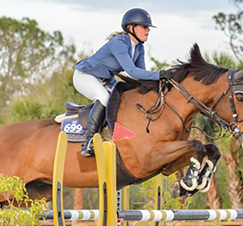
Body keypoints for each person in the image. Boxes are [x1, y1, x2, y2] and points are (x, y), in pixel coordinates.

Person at [74, 8, 173, 156]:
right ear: (131, 28)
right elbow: (132, 71)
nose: (148, 30)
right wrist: (159, 74)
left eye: (148, 27)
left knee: (123, 100)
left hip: (105, 80)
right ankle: (88, 143)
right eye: (144, 27)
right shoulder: (119, 43)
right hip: (85, 76)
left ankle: (113, 135)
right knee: (104, 98)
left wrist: (162, 82)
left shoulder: (139, 47)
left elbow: (140, 76)